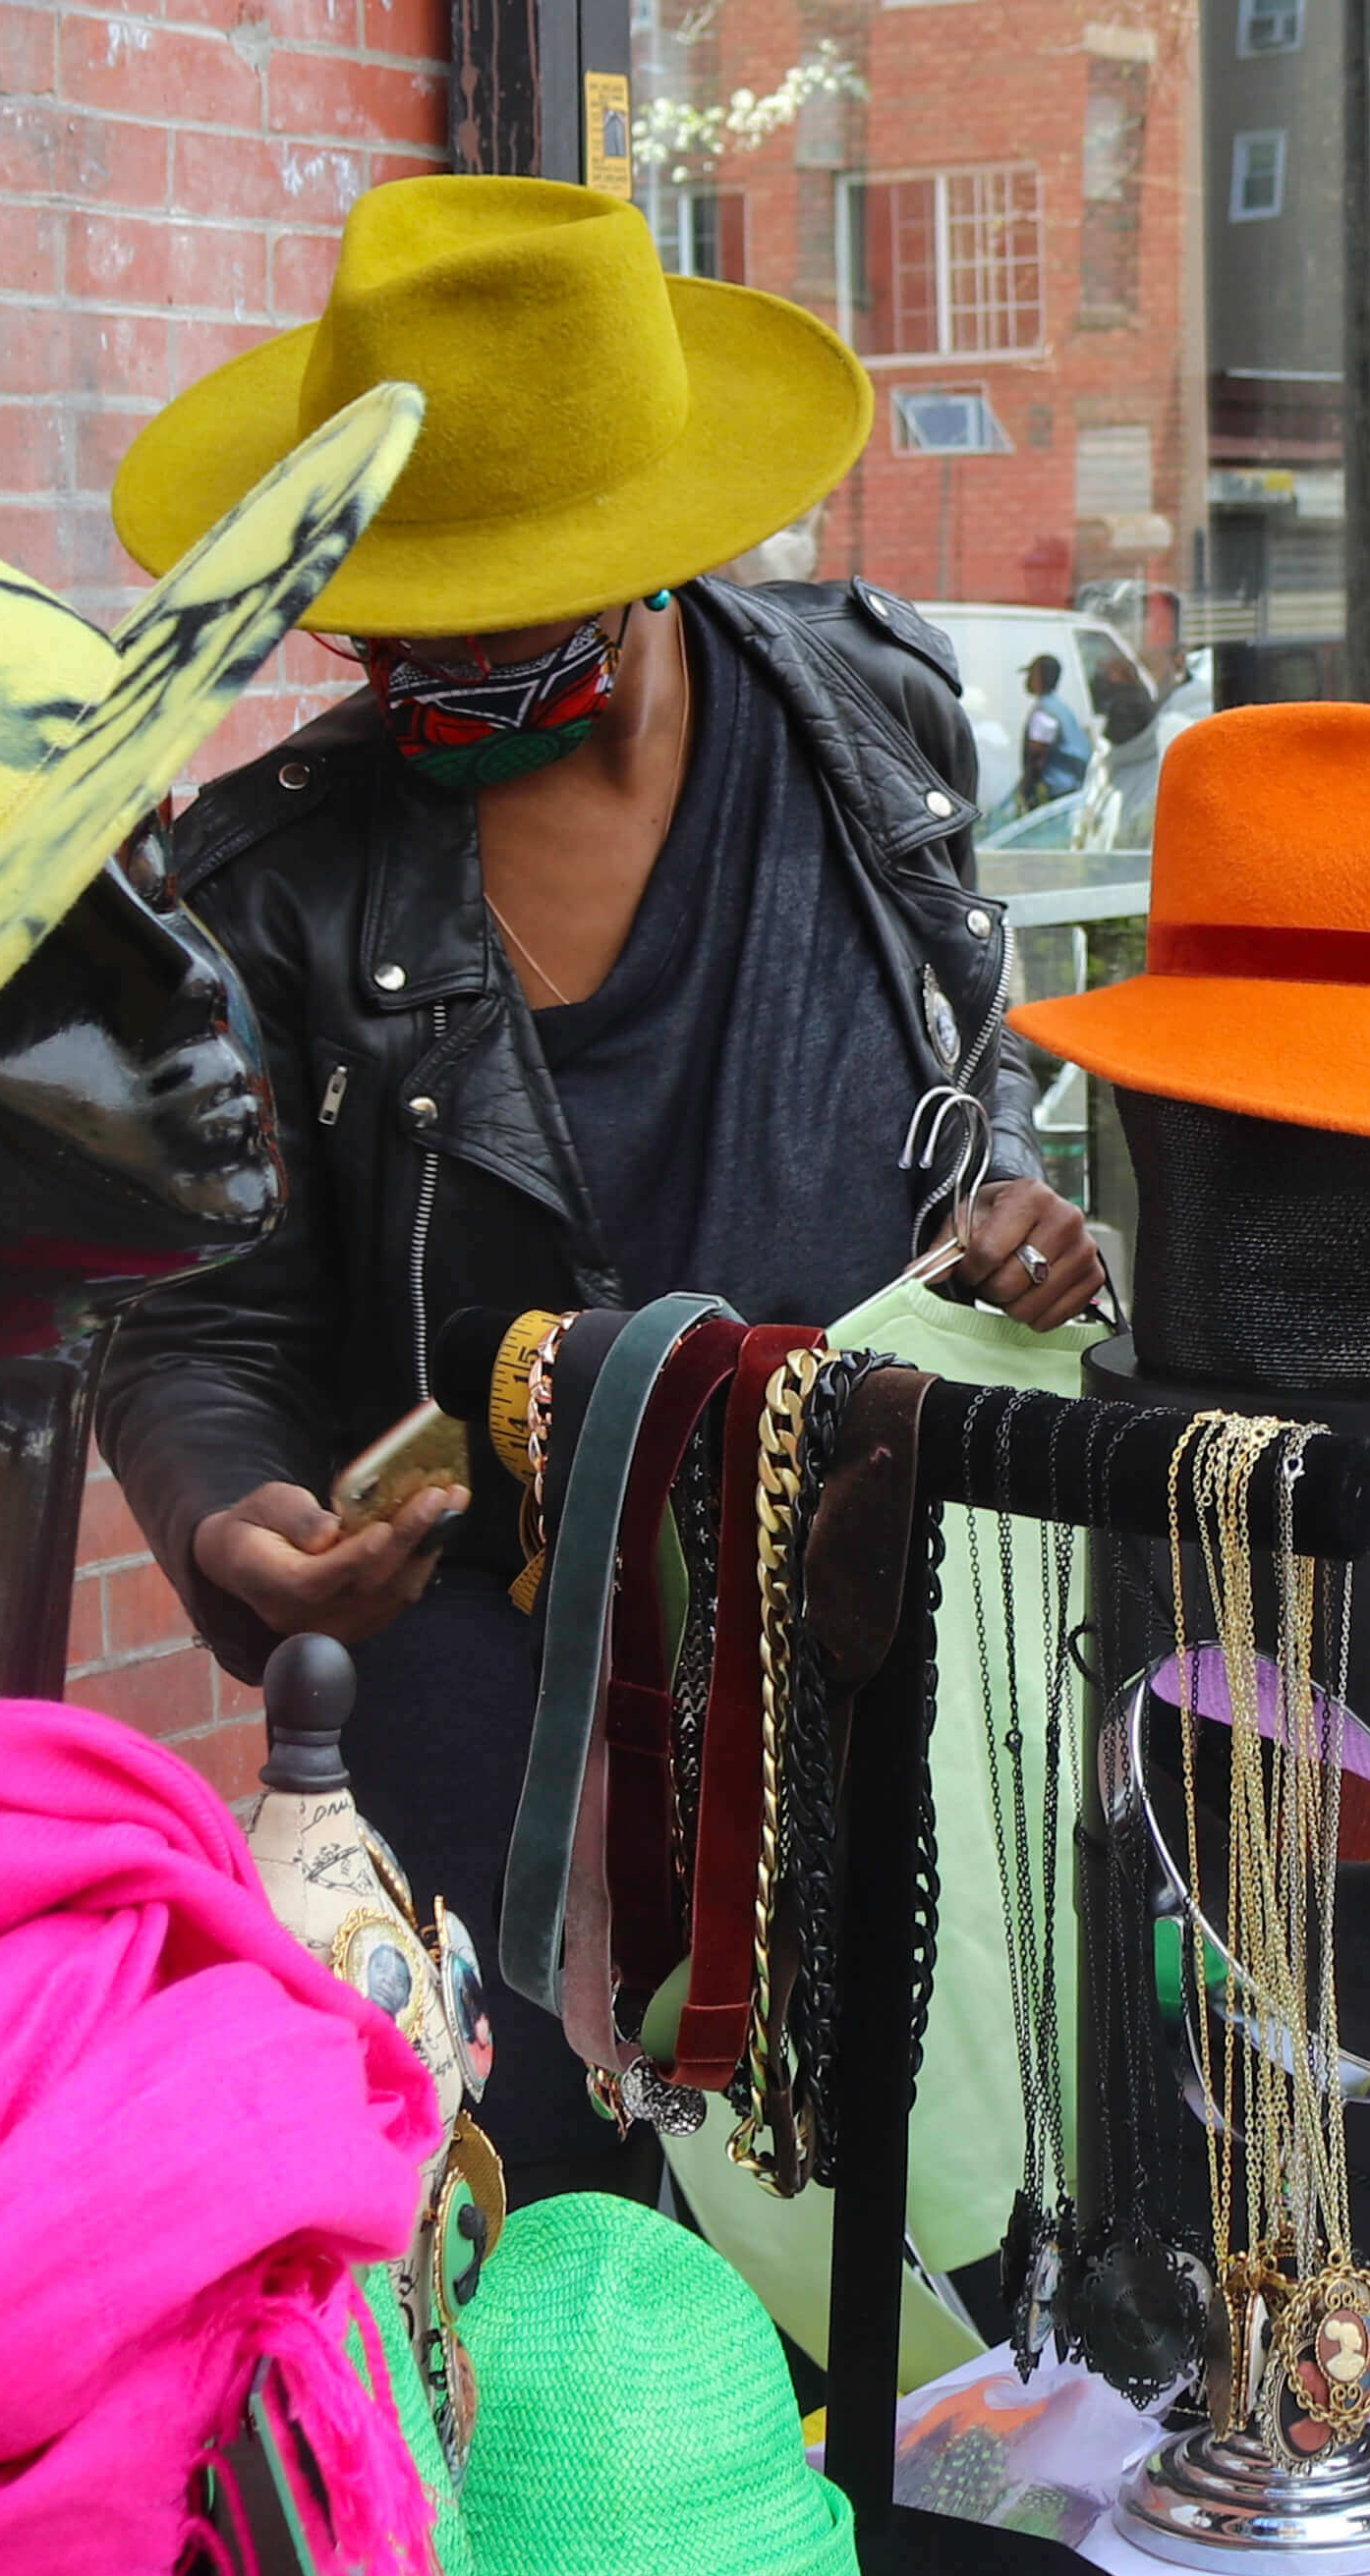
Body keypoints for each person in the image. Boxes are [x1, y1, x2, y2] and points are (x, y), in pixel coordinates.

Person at [96, 177, 1105, 2197]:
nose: (410, 648)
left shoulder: (869, 724)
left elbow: (967, 1064)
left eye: (481, 591)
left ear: (638, 552)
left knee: (938, 2263)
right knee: (561, 2320)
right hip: (496, 1734)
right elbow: (200, 1319)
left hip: (890, 1659)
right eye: (381, 596)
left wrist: (1011, 1205)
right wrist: (236, 1524)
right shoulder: (273, 894)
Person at [1014, 644, 1099, 820]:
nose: (1027, 680)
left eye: (1030, 674)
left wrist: (1025, 793)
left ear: (1039, 677)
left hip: (1058, 793)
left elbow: (1037, 757)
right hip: (1072, 787)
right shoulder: (1060, 708)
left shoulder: (1044, 712)